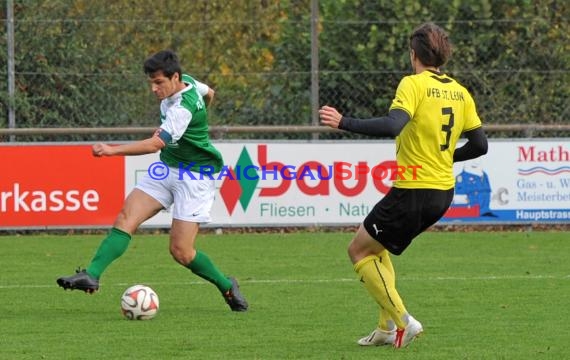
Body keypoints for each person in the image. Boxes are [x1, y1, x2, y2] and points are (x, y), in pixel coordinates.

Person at [319, 22, 487, 348]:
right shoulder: (460, 91)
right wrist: (445, 157)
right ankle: (384, 328)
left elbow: (394, 125)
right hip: (441, 193)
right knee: (375, 246)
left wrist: (344, 122)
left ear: (414, 55)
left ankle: (404, 320)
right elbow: (480, 145)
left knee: (357, 250)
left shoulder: (413, 84)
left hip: (414, 189)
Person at [57, 50, 248, 312]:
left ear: (174, 77)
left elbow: (156, 143)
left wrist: (113, 150)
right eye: (151, 82)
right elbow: (210, 93)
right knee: (126, 218)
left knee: (181, 252)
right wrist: (200, 122)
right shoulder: (190, 82)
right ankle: (92, 274)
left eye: (158, 82)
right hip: (167, 168)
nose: (153, 88)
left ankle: (227, 285)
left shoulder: (183, 108)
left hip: (195, 176)